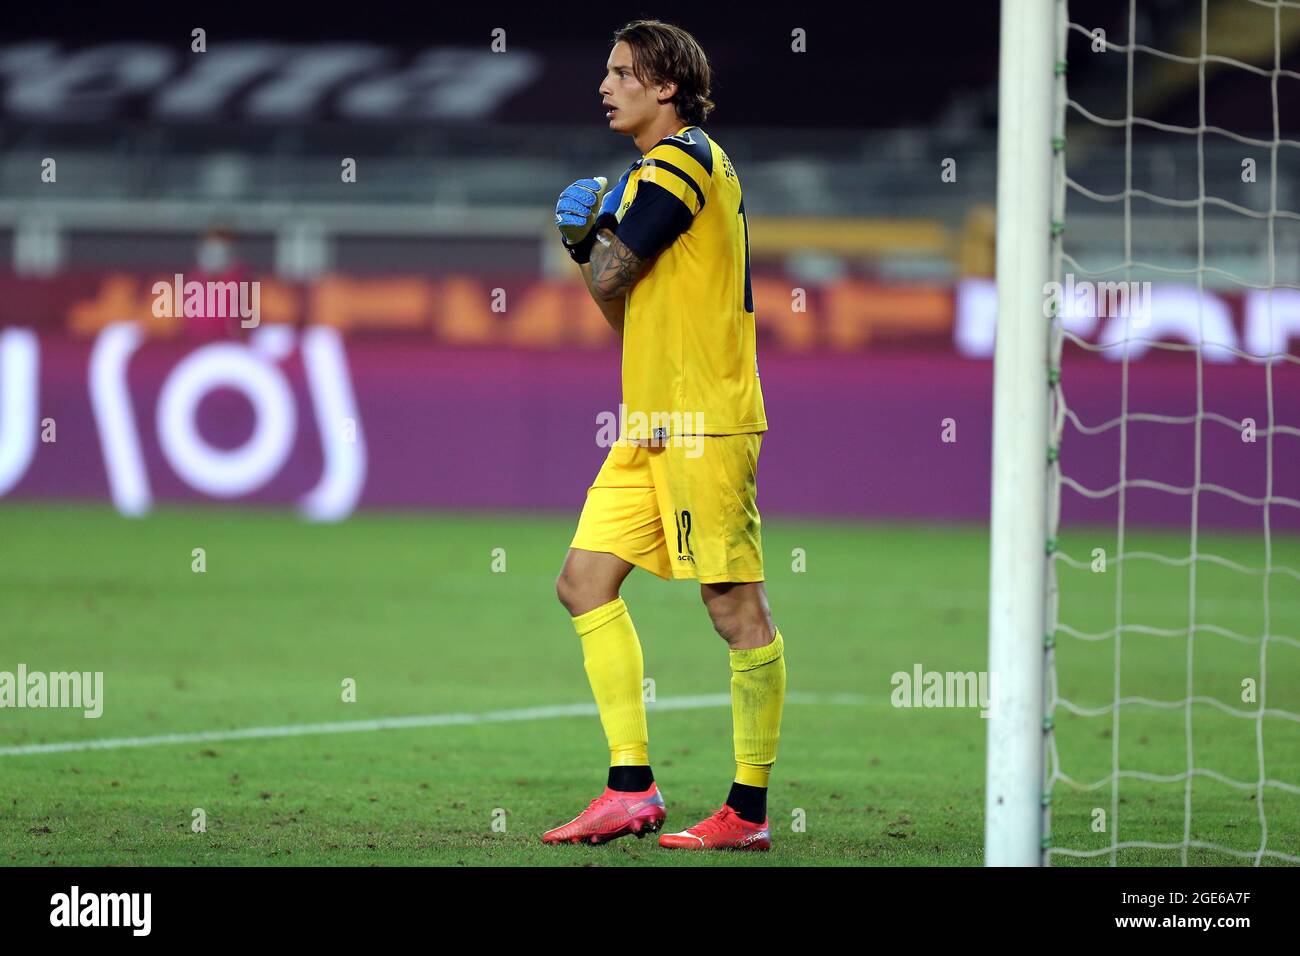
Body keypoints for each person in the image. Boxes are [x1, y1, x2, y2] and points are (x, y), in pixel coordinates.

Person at [544, 19, 785, 852]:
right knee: (583, 581)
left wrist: (584, 241)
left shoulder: (682, 161)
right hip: (651, 422)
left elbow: (610, 272)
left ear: (666, 87)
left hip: (704, 420)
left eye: (620, 73)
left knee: (732, 606)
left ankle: (746, 813)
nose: (605, 86)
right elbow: (621, 303)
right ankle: (630, 788)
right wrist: (592, 246)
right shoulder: (655, 173)